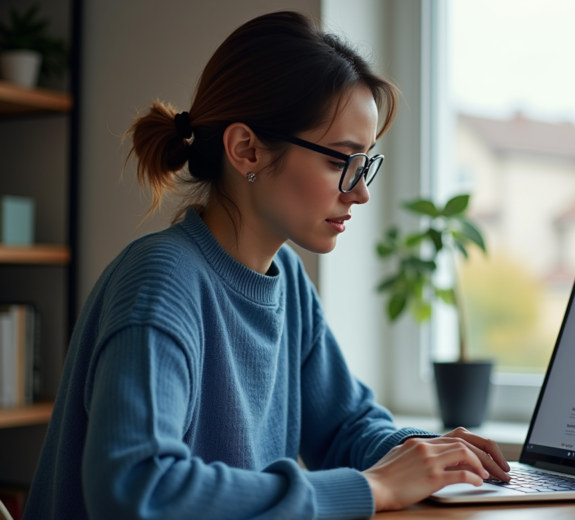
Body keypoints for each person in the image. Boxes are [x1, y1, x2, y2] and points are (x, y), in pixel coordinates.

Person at [24, 11, 510, 520]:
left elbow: (345, 426)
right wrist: (372, 489)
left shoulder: (288, 279)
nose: (361, 191)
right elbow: (137, 489)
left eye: (364, 164)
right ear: (246, 149)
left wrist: (430, 453)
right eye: (340, 161)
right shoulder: (161, 282)